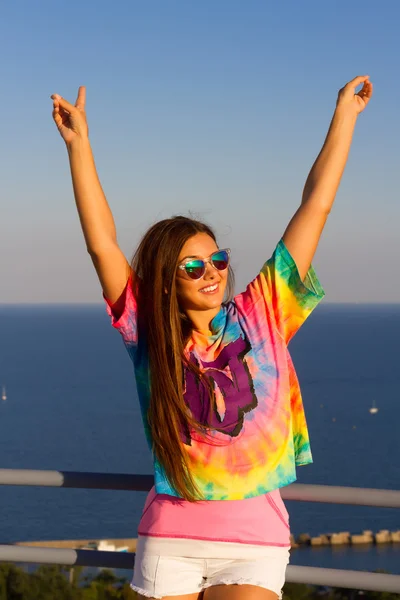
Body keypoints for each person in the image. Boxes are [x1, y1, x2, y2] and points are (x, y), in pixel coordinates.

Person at [51, 75, 373, 600]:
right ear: (165, 280)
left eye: (217, 259)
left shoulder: (263, 311)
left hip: (254, 540)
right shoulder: (149, 333)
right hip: (170, 536)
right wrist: (79, 146)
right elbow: (102, 245)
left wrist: (345, 116)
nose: (212, 272)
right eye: (192, 265)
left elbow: (315, 206)